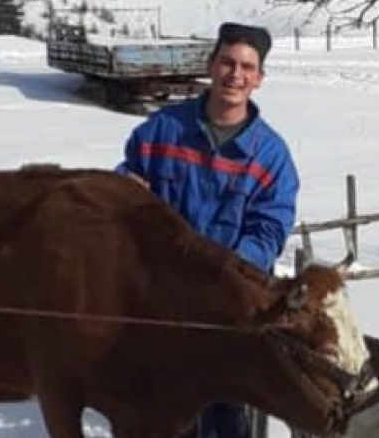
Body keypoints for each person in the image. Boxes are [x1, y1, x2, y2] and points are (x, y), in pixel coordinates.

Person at [116, 22, 299, 438]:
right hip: (156, 304)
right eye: (227, 62)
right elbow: (127, 183)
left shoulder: (270, 155)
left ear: (259, 79)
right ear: (211, 66)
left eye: (247, 67)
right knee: (153, 416)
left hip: (224, 310)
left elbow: (269, 229)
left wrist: (226, 272)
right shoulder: (163, 129)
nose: (235, 75)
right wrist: (125, 185)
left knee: (221, 415)